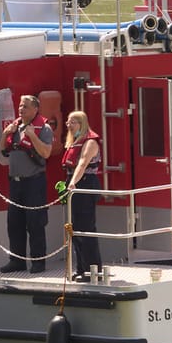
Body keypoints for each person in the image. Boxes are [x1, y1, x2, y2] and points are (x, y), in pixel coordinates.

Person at [0, 94, 54, 273]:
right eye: (20, 106)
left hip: (34, 183)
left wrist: (32, 136)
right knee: (14, 223)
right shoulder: (15, 127)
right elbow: (3, 150)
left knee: (35, 223)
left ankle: (38, 262)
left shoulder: (44, 129)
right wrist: (5, 134)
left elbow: (46, 153)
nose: (21, 109)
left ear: (36, 109)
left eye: (26, 107)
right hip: (15, 183)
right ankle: (17, 261)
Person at [61, 110, 103, 282]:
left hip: (85, 184)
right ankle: (81, 269)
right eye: (68, 122)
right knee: (75, 230)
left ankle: (93, 271)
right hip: (75, 185)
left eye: (72, 122)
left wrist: (73, 183)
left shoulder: (90, 141)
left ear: (81, 124)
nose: (69, 125)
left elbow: (83, 162)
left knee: (86, 230)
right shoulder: (74, 141)